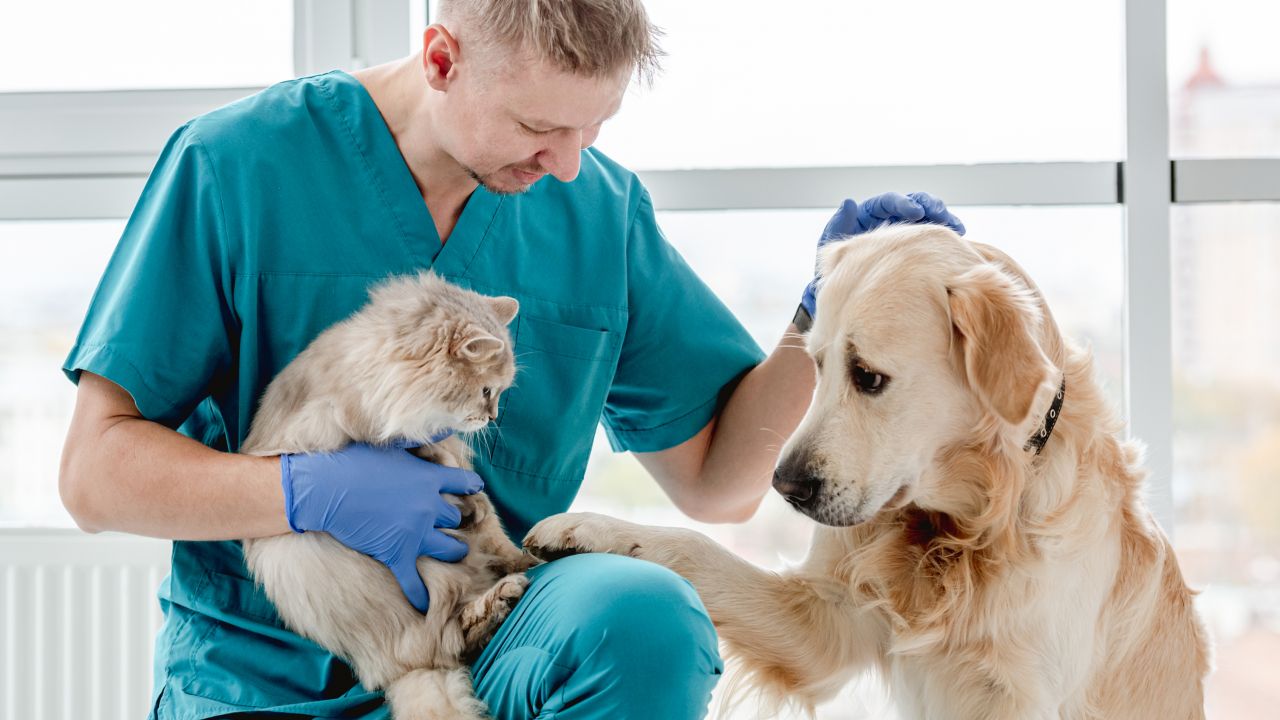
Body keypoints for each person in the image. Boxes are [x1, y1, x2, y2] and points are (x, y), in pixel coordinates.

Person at [57, 1, 962, 718]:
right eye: (538, 126)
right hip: (260, 675)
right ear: (442, 59)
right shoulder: (238, 168)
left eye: (592, 128)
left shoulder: (597, 213)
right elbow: (94, 475)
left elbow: (719, 480)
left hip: (493, 638)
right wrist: (304, 491)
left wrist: (821, 311)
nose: (566, 165)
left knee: (644, 621)